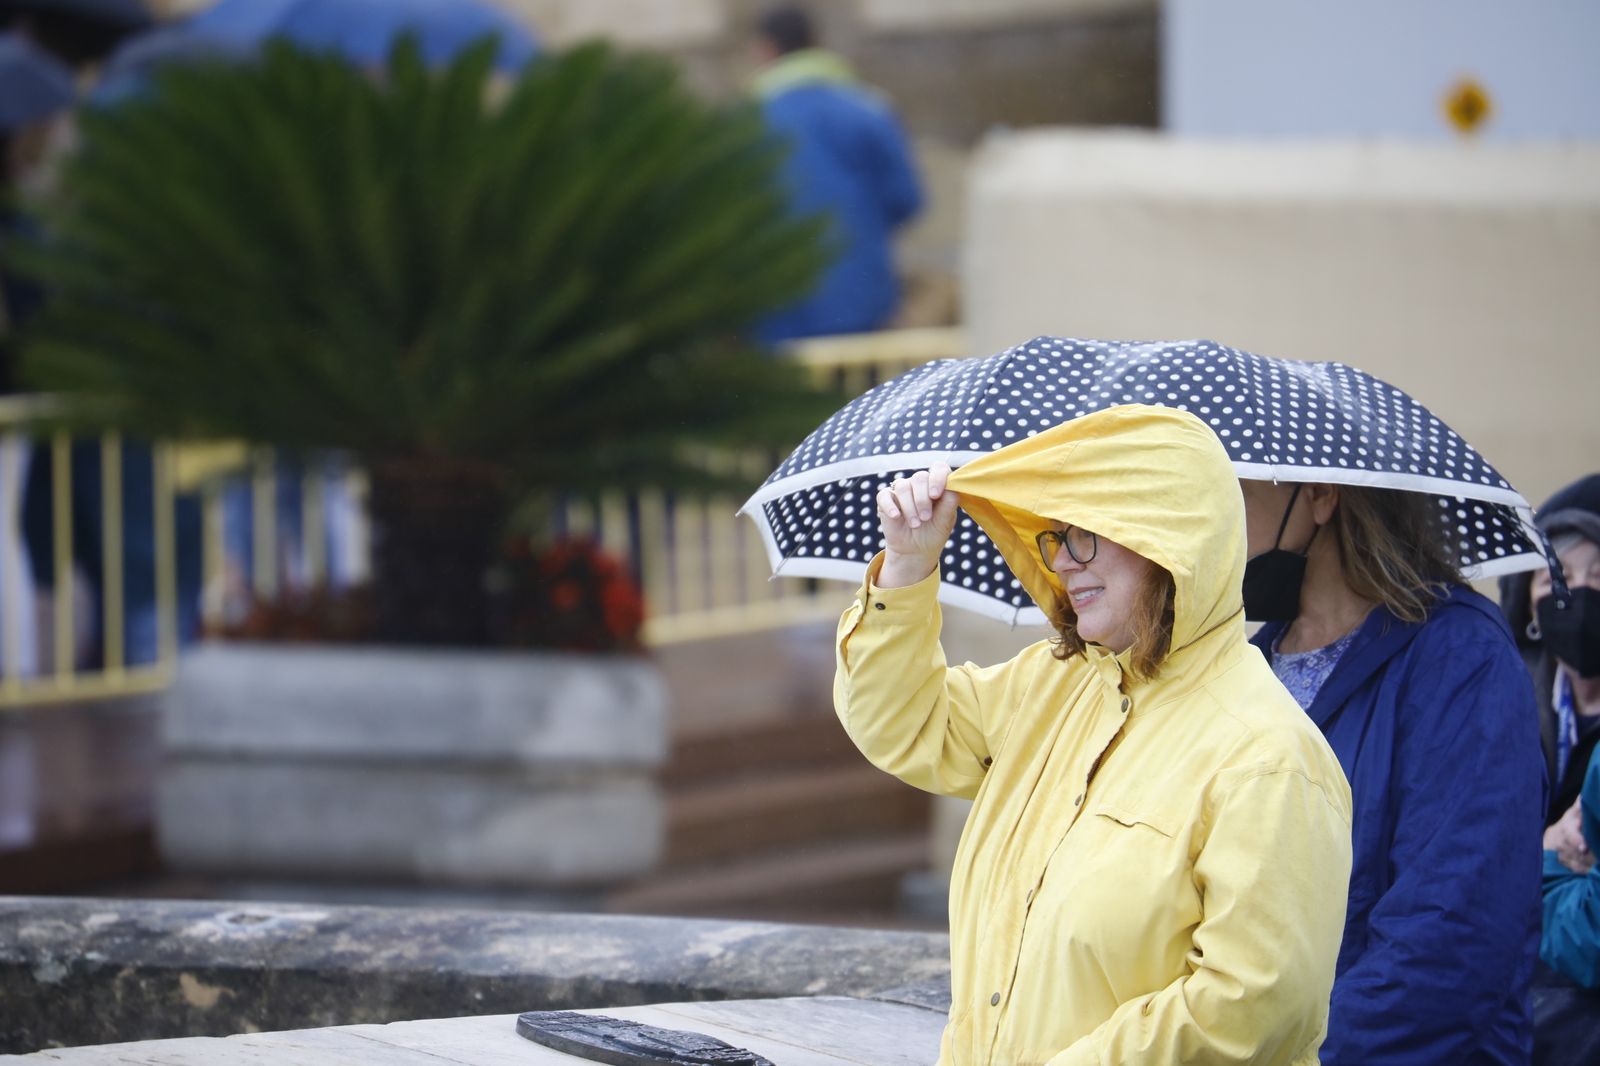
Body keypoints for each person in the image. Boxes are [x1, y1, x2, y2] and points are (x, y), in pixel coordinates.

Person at [836, 404, 1353, 1064]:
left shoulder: (1270, 758)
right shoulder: (1053, 684)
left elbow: (1250, 1006)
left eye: (1087, 534)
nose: (1064, 562)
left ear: (1170, 537)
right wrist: (907, 566)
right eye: (1055, 536)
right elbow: (903, 723)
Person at [1242, 478, 1546, 1064]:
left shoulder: (1461, 657)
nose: (1212, 522)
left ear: (1321, 496)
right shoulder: (1247, 665)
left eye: (1236, 496)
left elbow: (1452, 939)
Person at [749, 4, 922, 345]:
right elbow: (907, 200)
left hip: (776, 312)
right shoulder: (867, 108)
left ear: (765, 49)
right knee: (865, 395)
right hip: (863, 303)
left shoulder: (746, 123)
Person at [1501, 474, 1600, 832]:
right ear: (1529, 606)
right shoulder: (1502, 697)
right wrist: (1545, 850)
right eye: (1559, 579)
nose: (1582, 593)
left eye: (1599, 576)